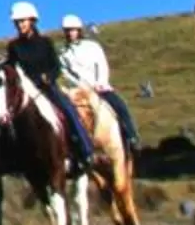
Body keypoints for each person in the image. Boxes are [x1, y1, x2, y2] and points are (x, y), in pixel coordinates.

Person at [3, 1, 92, 167]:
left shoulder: (45, 42)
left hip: (47, 87)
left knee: (68, 109)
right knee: (7, 116)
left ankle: (84, 149)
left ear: (32, 21)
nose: (19, 25)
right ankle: (12, 158)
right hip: (26, 90)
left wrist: (48, 78)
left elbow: (56, 67)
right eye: (17, 22)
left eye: (23, 21)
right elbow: (11, 68)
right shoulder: (13, 46)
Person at [58, 13, 138, 150]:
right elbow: (67, 74)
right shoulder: (63, 53)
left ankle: (131, 136)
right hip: (81, 89)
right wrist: (80, 86)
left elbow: (101, 64)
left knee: (120, 105)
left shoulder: (92, 46)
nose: (70, 33)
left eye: (72, 30)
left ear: (79, 30)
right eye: (67, 30)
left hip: (100, 86)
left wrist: (101, 82)